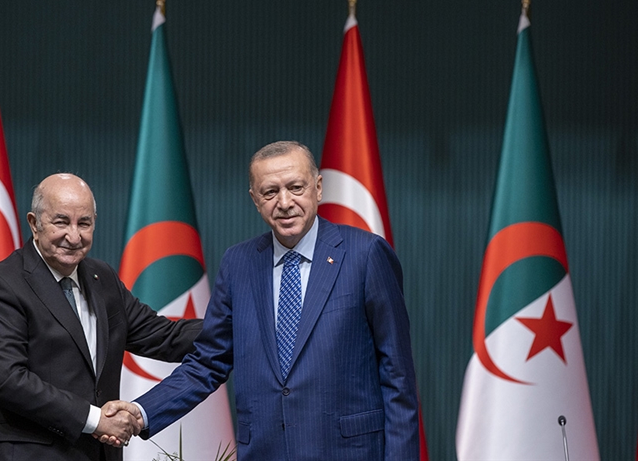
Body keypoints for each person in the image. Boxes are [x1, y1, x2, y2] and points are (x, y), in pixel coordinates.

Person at [120, 141, 420, 460]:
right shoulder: (238, 263)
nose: (285, 202)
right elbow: (208, 360)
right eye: (270, 192)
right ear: (255, 199)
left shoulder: (366, 254)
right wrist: (141, 412)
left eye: (296, 187)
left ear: (318, 188)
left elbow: (397, 375)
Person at [0, 173, 201, 461]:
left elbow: (165, 337)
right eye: (61, 222)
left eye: (84, 223)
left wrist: (236, 324)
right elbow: (8, 381)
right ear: (34, 224)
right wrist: (96, 419)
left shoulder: (103, 279)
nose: (74, 237)